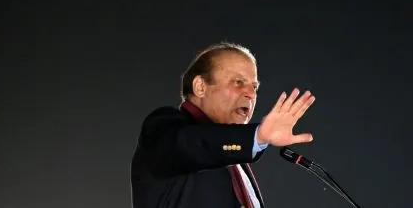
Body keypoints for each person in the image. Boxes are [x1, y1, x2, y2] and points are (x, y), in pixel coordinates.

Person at [130, 42, 316, 208]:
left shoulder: (234, 160)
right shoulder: (164, 128)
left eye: (254, 87)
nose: (250, 94)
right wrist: (256, 136)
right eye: (238, 82)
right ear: (200, 87)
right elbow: (193, 144)